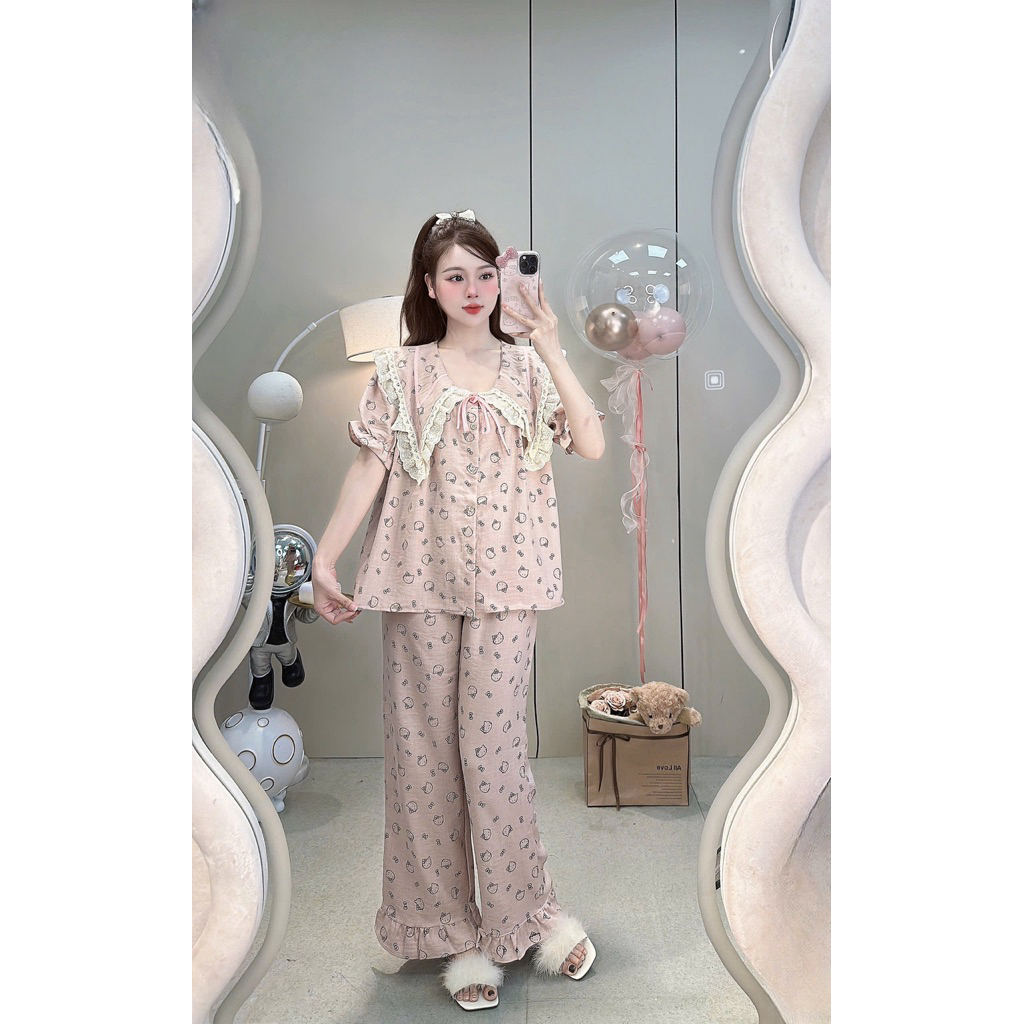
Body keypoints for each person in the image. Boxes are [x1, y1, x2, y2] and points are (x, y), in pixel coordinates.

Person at [311, 210, 606, 1011]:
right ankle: (449, 934)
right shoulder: (401, 371)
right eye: (455, 276)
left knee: (495, 754)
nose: (472, 290)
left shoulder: (529, 369)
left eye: (484, 274)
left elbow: (589, 443)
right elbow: (369, 470)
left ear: (500, 282)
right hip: (418, 582)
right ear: (430, 286)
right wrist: (327, 557)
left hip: (509, 584)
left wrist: (550, 343)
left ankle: (527, 917)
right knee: (423, 760)